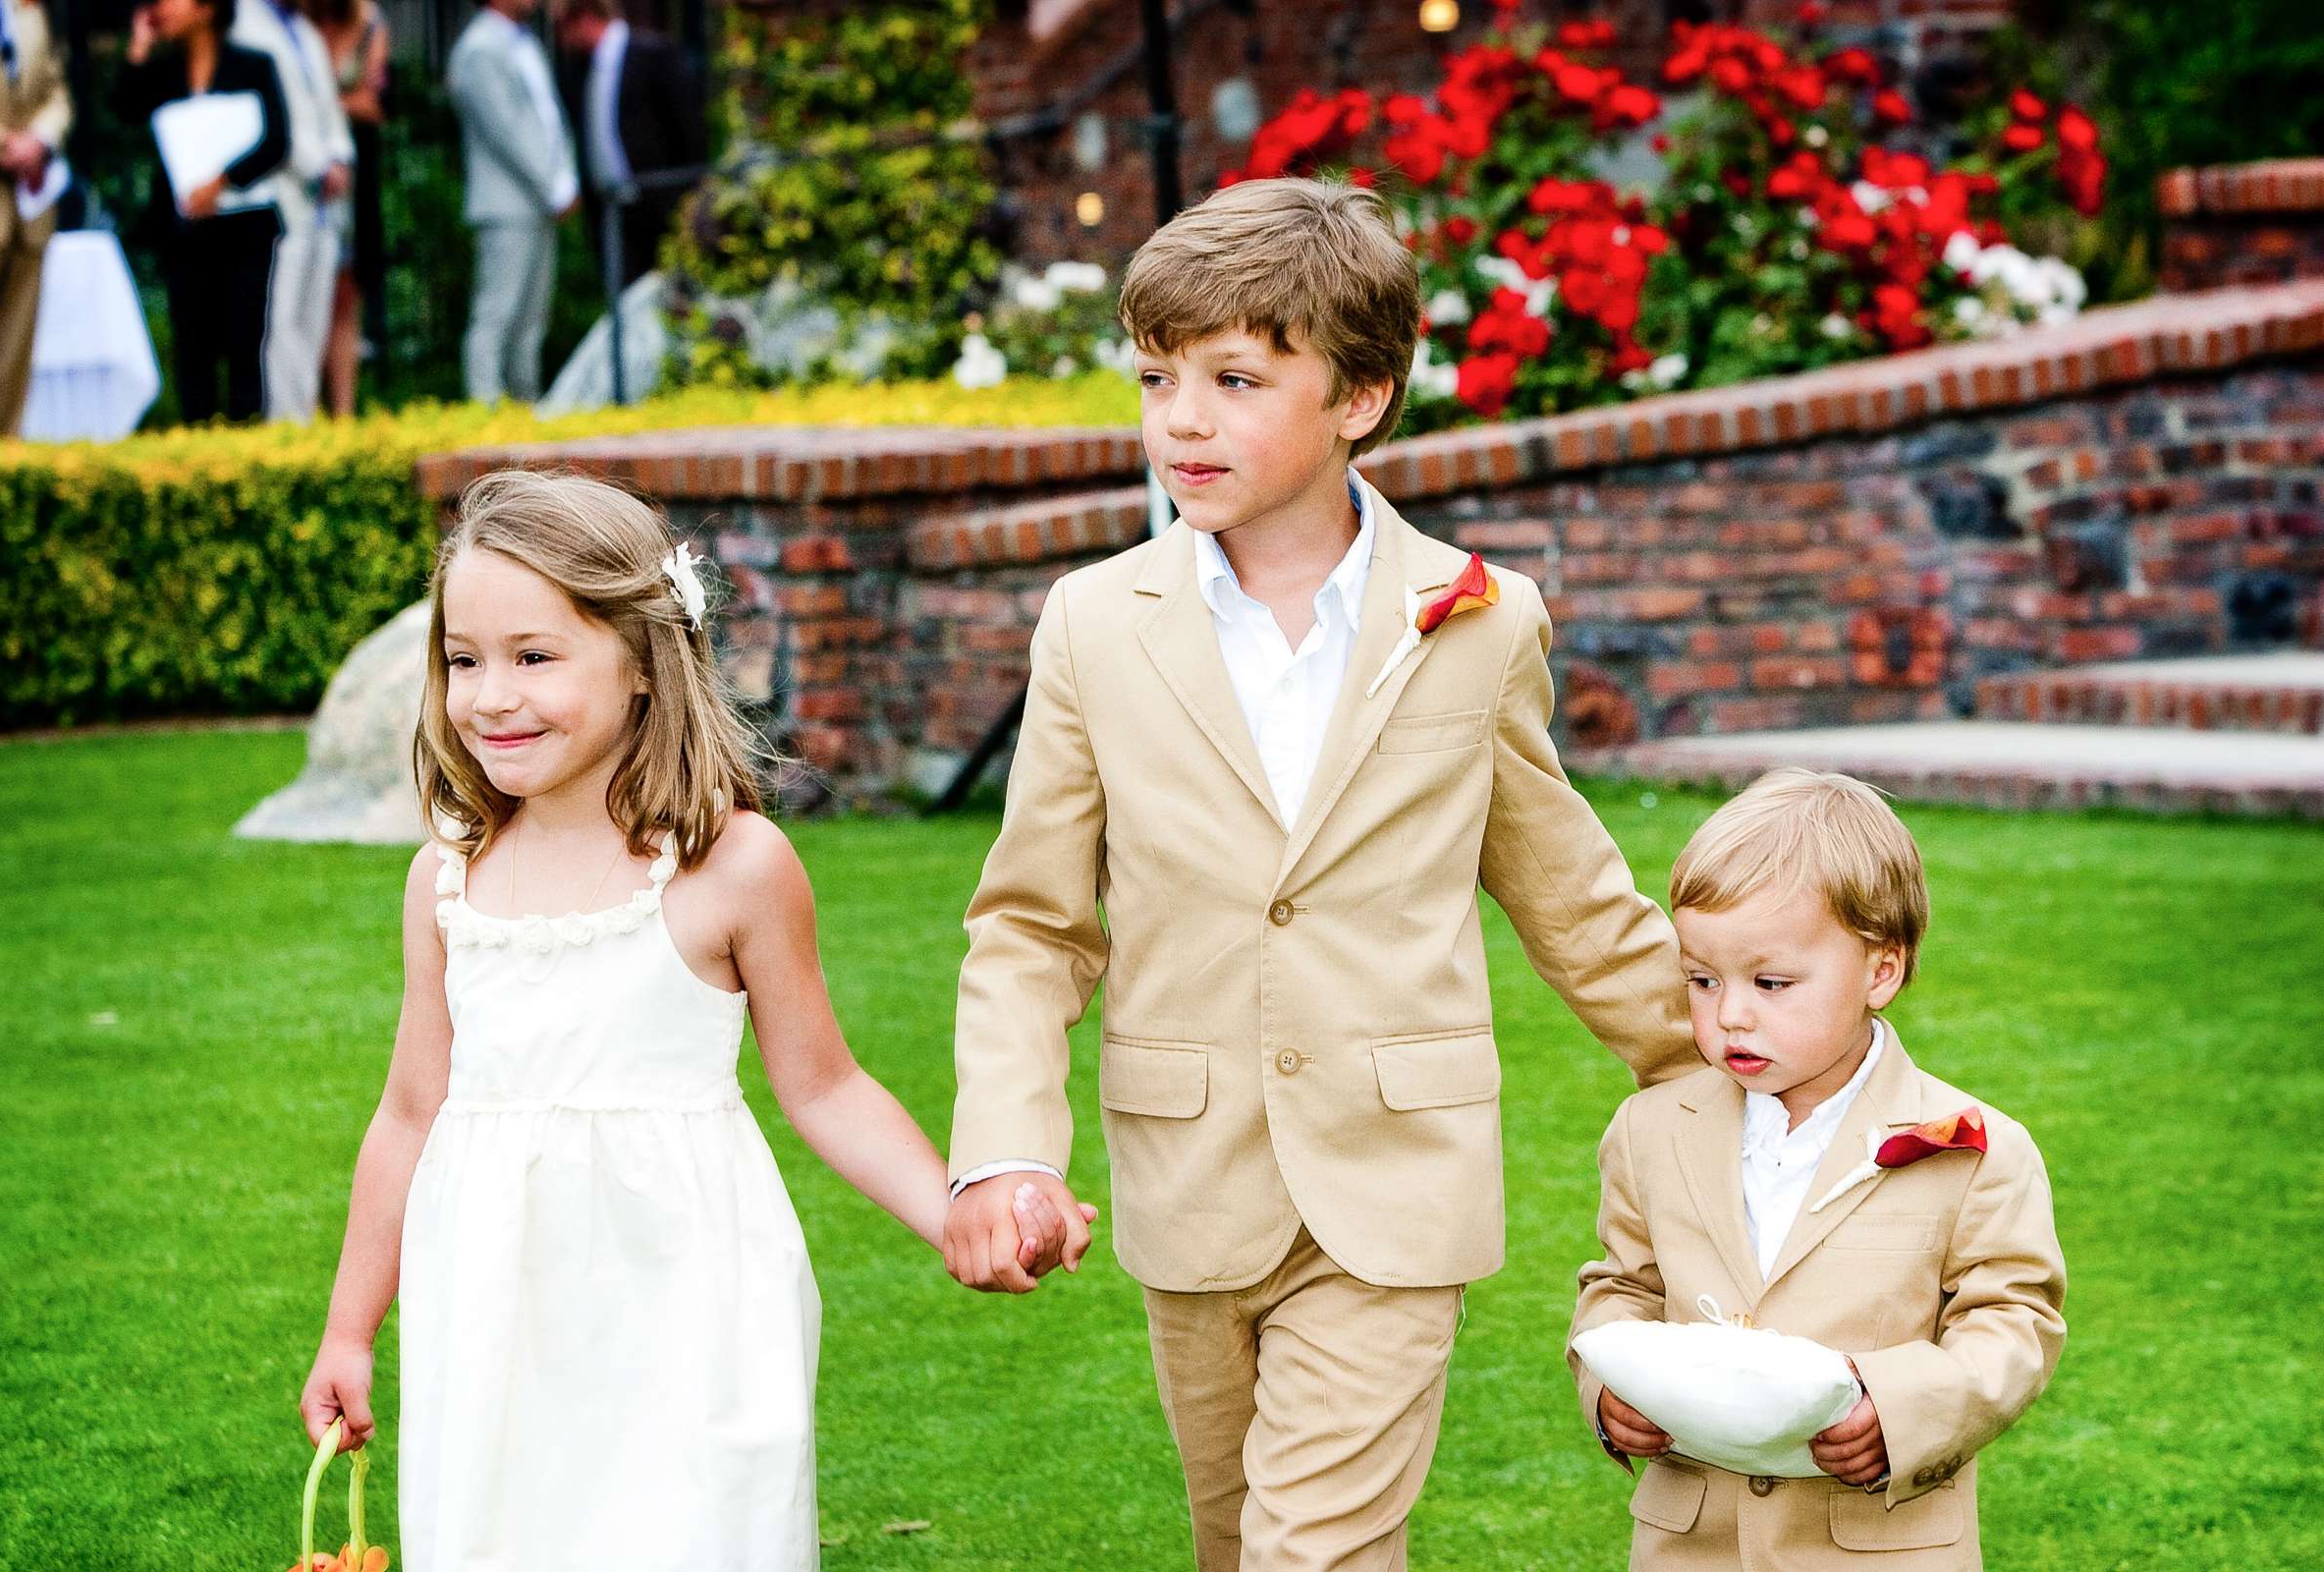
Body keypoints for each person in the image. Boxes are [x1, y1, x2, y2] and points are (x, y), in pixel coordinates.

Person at [942, 176, 1696, 1572]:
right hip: (1190, 1179)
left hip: (1397, 1184)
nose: (1181, 417)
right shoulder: (1096, 625)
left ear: (1359, 395)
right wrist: (1003, 1151)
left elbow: (1570, 893)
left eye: (1234, 378)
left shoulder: (1477, 620)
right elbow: (1033, 925)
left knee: (1317, 1556)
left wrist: (1728, 1058)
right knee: (1241, 1547)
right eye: (1158, 377)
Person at [296, 471, 968, 1567]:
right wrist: (348, 1328)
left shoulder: (731, 865)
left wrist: (953, 1215)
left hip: (690, 1303)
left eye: (535, 656)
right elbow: (411, 1112)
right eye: (464, 659)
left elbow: (824, 1085)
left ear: (645, 663)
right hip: (493, 1311)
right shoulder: (446, 882)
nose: (491, 695)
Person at [1571, 768, 2068, 1569]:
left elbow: (2014, 1323)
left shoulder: (1976, 1148)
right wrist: (1608, 1392)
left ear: (1882, 971)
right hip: (1693, 1543)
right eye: (1702, 980)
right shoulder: (1651, 1129)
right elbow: (1619, 1288)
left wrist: (1902, 1410)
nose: (1731, 1012)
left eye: (1771, 983)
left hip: (1875, 1545)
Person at [123, 0, 291, 423]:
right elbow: (124, 107)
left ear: (207, 8)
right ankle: (198, 442)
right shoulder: (164, 74)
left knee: (245, 339)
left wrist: (222, 181)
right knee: (191, 344)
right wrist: (140, 46)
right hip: (185, 230)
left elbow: (276, 140)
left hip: (245, 226)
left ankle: (245, 434)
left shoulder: (253, 64)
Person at [447, 0, 576, 406]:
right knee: (496, 315)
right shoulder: (479, 48)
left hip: (539, 200)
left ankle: (525, 410)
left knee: (532, 321)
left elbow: (548, 119)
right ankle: (486, 410)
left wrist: (564, 180)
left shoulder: (524, 42)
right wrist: (553, 186)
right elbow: (505, 130)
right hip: (506, 204)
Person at [232, 0, 352, 422]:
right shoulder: (242, 23)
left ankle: (303, 419)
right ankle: (283, 422)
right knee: (279, 322)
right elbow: (270, 115)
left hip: (323, 201)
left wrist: (339, 158)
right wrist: (319, 165)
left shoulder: (304, 29)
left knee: (311, 321)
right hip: (280, 193)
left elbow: (328, 111)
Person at [0, 0, 69, 435]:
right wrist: (3, 146)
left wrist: (42, 140)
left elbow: (56, 93)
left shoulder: (27, 10)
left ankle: (5, 471)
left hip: (29, 211)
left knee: (14, 356)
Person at [554, 0, 699, 288]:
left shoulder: (654, 54)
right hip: (610, 215)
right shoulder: (579, 70)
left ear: (582, 17)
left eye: (560, 28)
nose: (559, 40)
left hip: (661, 208)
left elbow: (690, 133)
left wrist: (688, 199)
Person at [304, 0, 387, 418]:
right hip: (305, 174)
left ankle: (343, 412)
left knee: (345, 292)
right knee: (308, 294)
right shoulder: (296, 25)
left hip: (354, 176)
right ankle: (309, 405)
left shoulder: (370, 23)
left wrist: (321, 105)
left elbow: (377, 105)